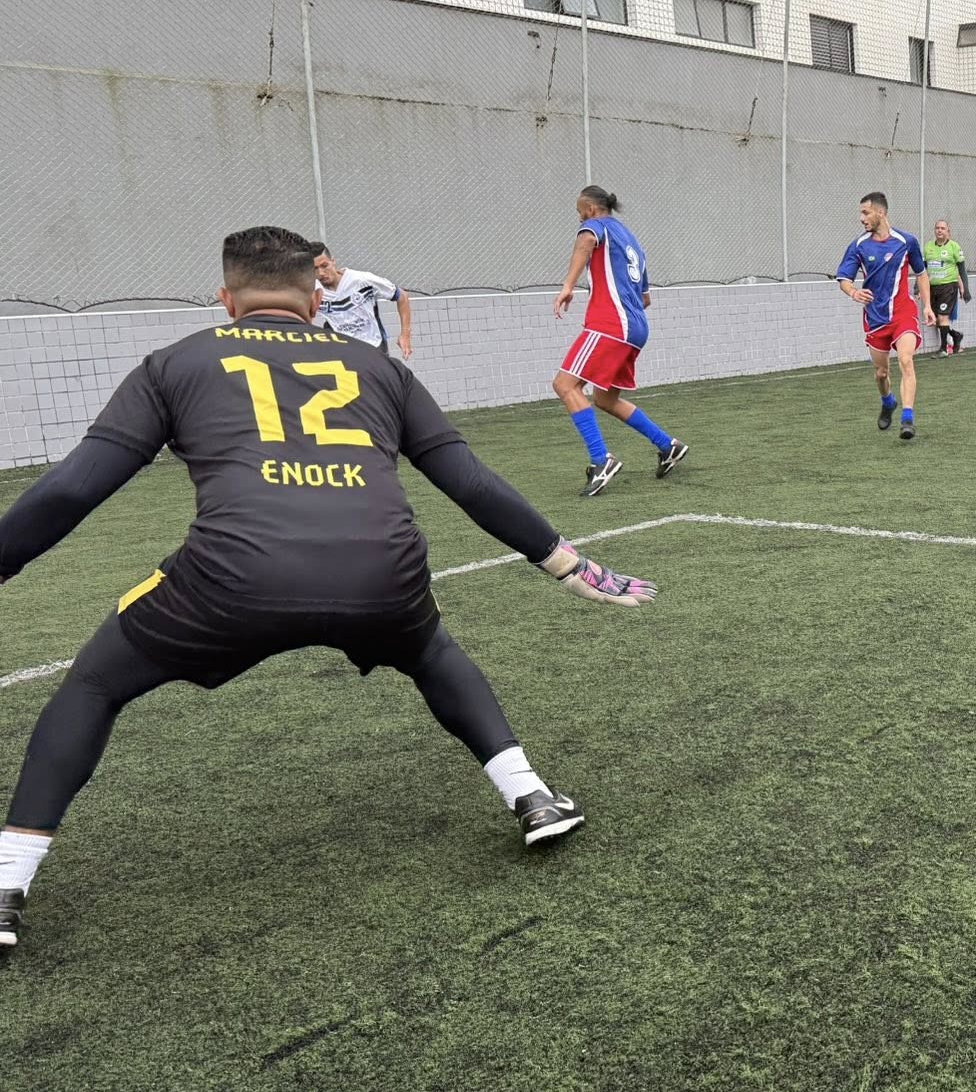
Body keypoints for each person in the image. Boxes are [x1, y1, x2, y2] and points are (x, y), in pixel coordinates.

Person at [0, 227, 661, 952]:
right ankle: (531, 796)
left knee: (95, 684)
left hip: (231, 579)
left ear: (225, 300)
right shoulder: (378, 368)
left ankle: (7, 883)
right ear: (316, 300)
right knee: (430, 651)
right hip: (382, 573)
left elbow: (73, 488)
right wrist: (567, 565)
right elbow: (470, 482)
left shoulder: (176, 362)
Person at [549, 185, 688, 497]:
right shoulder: (632, 242)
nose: (580, 219)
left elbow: (586, 239)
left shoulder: (596, 227)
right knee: (605, 399)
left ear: (590, 209)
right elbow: (646, 298)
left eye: (580, 213)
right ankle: (668, 445)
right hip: (636, 327)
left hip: (610, 324)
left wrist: (568, 285)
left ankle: (602, 460)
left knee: (565, 385)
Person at [836, 190, 934, 441]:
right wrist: (853, 292)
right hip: (875, 316)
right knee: (881, 373)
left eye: (865, 212)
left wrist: (927, 305)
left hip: (903, 313)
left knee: (906, 360)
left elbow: (921, 274)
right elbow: (844, 279)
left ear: (881, 212)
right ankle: (888, 401)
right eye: (861, 213)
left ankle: (907, 419)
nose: (861, 218)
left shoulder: (906, 241)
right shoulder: (859, 245)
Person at [311, 245, 414, 359]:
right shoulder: (312, 290)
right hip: (343, 351)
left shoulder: (361, 280)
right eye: (315, 268)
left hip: (373, 346)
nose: (321, 273)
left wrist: (405, 334)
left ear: (333, 262)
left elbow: (402, 296)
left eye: (324, 266)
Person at [926, 219, 971, 354]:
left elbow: (962, 270)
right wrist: (918, 288)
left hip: (948, 287)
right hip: (932, 287)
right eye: (937, 228)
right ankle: (955, 335)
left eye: (942, 228)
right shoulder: (928, 247)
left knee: (943, 317)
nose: (939, 230)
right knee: (935, 319)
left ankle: (943, 349)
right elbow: (922, 269)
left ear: (948, 231)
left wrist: (965, 289)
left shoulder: (954, 247)